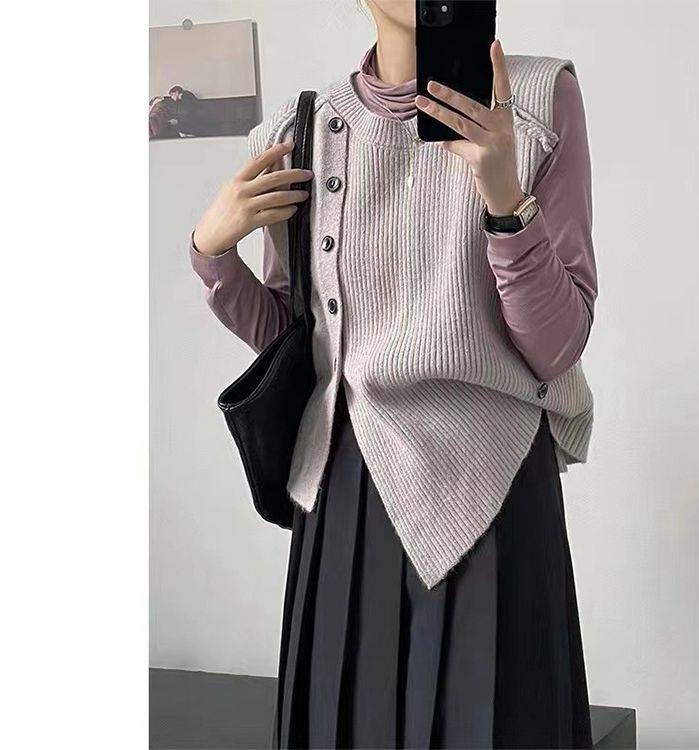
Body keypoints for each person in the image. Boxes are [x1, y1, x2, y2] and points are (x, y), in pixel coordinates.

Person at [189, 1, 597, 747]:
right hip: (346, 487)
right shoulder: (298, 131)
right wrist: (213, 255)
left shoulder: (541, 99)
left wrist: (505, 199)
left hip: (495, 483)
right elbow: (297, 342)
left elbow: (556, 346)